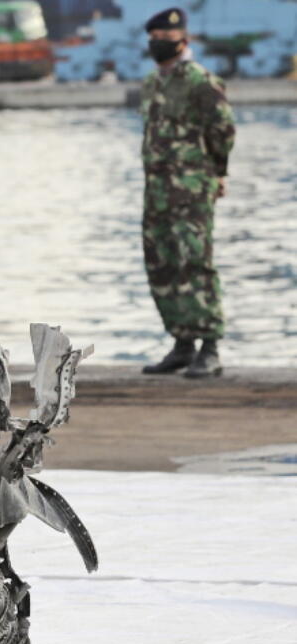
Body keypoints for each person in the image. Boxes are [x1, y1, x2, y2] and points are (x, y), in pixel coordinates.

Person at [139, 8, 235, 379]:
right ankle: (182, 343)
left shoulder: (201, 81)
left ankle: (209, 346)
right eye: (154, 39)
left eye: (164, 40)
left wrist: (217, 174)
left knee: (195, 262)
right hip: (157, 191)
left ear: (184, 40)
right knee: (162, 264)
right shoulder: (152, 83)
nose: (157, 45)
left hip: (192, 190)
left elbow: (223, 132)